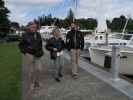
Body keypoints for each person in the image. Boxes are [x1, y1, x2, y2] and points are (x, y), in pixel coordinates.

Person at [19, 22, 44, 91]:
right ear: (29, 27)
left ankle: (37, 81)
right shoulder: (25, 35)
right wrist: (25, 52)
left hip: (37, 54)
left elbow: (40, 44)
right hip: (29, 54)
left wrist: (41, 51)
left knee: (39, 69)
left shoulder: (38, 34)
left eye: (35, 27)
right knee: (31, 70)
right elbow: (21, 45)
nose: (34, 28)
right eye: (33, 27)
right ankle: (32, 83)